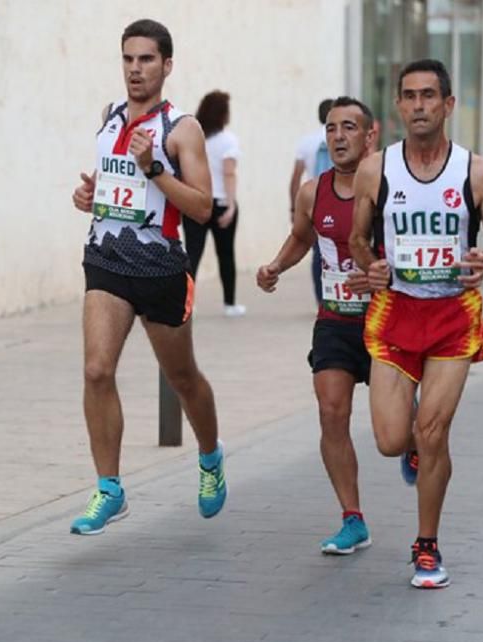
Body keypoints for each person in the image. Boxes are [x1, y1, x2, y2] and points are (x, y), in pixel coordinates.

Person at [348, 59, 483, 588]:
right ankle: (416, 446)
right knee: (390, 439)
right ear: (398, 105)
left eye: (428, 96)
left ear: (448, 104)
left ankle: (426, 546)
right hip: (395, 311)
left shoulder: (477, 173)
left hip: (452, 318)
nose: (418, 106)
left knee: (433, 430)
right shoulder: (377, 169)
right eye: (409, 96)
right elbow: (357, 239)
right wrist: (368, 265)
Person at [69, 18, 227, 535]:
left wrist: (157, 171)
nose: (135, 70)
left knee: (183, 379)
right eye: (128, 59)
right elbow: (113, 188)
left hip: (160, 268)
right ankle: (110, 488)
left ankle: (209, 457)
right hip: (106, 260)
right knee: (96, 370)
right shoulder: (109, 116)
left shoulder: (182, 129)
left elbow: (203, 207)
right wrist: (90, 199)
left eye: (146, 60)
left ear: (167, 65)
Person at [257, 97, 376, 555]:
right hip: (335, 320)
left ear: (370, 136)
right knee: (331, 412)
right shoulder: (313, 191)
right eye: (331, 128)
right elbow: (303, 237)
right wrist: (275, 267)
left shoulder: (388, 187)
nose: (339, 136)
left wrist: (383, 272)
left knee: (396, 433)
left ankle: (413, 438)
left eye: (349, 127)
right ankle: (352, 518)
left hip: (384, 321)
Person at [183, 90, 246, 317]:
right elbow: (229, 173)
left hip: (195, 202)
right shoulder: (228, 140)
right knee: (226, 255)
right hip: (220, 203)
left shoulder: (193, 137)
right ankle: (230, 304)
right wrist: (230, 205)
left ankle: (187, 304)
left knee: (192, 254)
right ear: (222, 114)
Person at [289, 99, 334, 305]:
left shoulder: (306, 142)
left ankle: (320, 299)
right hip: (340, 200)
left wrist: (294, 207)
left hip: (314, 200)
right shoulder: (344, 138)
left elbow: (296, 177)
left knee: (317, 251)